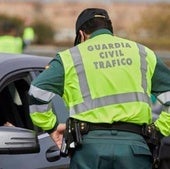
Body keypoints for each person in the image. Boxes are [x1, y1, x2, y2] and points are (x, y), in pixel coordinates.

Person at [28, 8, 170, 169]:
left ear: (81, 35)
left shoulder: (70, 57)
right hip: (135, 149)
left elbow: (37, 93)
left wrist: (51, 126)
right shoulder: (143, 53)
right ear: (110, 31)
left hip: (88, 150)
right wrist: (158, 131)